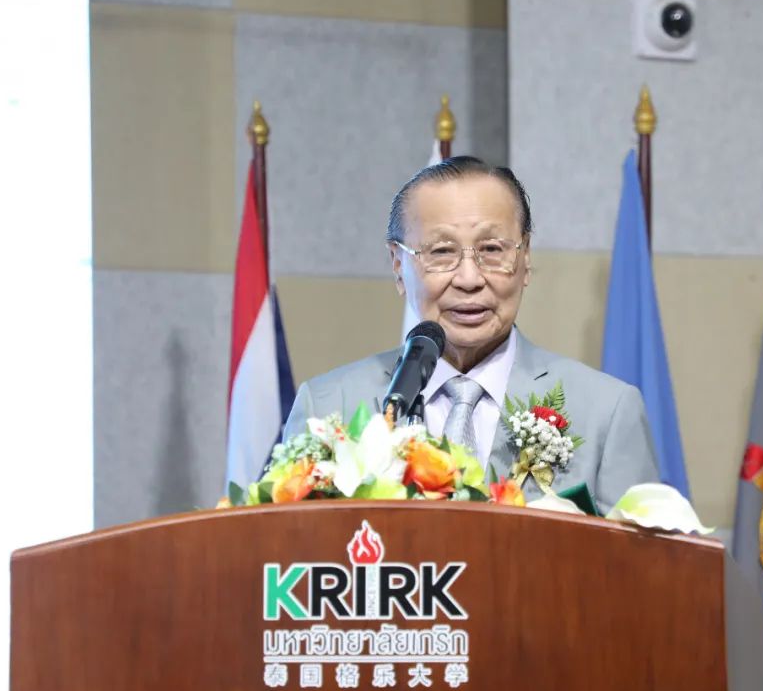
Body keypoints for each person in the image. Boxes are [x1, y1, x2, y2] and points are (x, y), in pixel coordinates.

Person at [282, 156, 659, 513]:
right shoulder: (329, 407)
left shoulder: (605, 412)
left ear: (525, 257)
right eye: (441, 252)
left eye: (492, 249)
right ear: (398, 265)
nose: (469, 279)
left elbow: (642, 559)